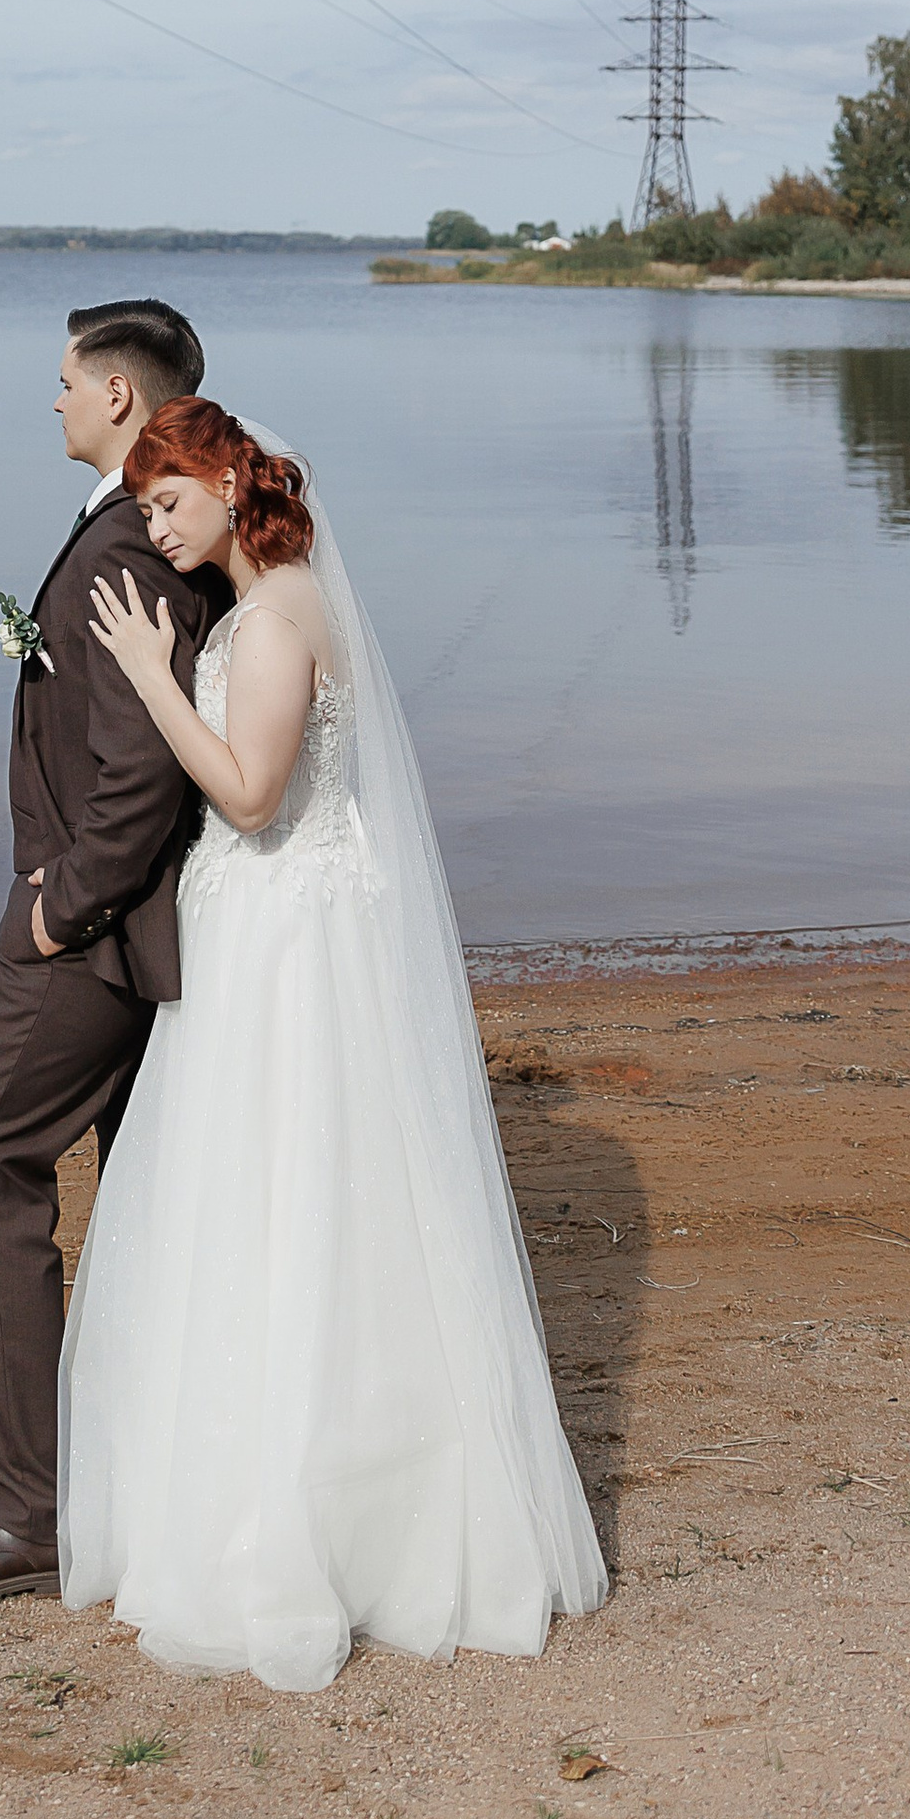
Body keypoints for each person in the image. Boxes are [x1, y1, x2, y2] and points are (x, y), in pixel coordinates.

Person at [59, 397, 606, 1688]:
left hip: (281, 941)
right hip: (300, 925)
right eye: (143, 508)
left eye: (169, 501)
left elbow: (250, 798)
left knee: (277, 1206)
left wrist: (148, 678)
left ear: (227, 484)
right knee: (331, 1206)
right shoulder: (293, 601)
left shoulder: (270, 621)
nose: (156, 526)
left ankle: (295, 1527)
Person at [0, 299, 233, 1603]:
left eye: (68, 381)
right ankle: (143, 1477)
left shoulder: (129, 552)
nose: (54, 400)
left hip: (88, 942)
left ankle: (28, 1508)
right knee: (143, 1195)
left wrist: (57, 908)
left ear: (121, 401)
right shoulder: (135, 533)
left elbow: (138, 776)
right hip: (111, 932)